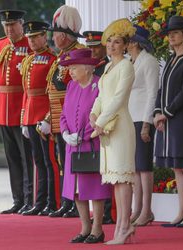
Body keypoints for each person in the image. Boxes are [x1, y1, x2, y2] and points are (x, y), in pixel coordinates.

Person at [90, 18, 136, 245]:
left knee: (123, 178)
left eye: (117, 42)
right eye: (109, 41)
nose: (111, 45)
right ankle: (122, 226)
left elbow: (118, 98)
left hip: (120, 126)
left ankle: (125, 226)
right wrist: (93, 114)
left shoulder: (127, 66)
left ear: (125, 45)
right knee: (116, 180)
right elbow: (101, 96)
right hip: (106, 126)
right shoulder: (108, 67)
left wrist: (101, 121)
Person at [59, 48, 112, 243]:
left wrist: (85, 135)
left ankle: (97, 230)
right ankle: (85, 227)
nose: (70, 71)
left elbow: (104, 113)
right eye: (70, 68)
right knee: (76, 190)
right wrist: (65, 133)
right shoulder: (71, 86)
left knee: (94, 189)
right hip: (72, 145)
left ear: (88, 68)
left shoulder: (100, 85)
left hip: (93, 143)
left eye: (74, 67)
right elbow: (64, 114)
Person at [153, 16, 183, 227]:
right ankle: (181, 211)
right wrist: (157, 112)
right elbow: (162, 89)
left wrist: (167, 112)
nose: (171, 36)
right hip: (169, 121)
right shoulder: (172, 59)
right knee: (177, 167)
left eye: (175, 32)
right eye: (169, 33)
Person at [0, 10, 33, 214]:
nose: (9, 29)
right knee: (12, 158)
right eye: (6, 25)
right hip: (4, 108)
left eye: (13, 25)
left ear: (21, 25)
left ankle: (30, 199)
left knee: (26, 157)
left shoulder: (29, 44)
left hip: (22, 107)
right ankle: (18, 199)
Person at [43, 5, 85, 218]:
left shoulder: (76, 54)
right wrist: (49, 118)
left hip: (71, 118)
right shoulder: (63, 55)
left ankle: (74, 203)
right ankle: (67, 202)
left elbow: (68, 89)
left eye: (57, 33)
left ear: (67, 35)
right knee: (63, 163)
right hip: (59, 116)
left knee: (71, 163)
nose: (55, 37)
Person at [19, 21, 57, 216]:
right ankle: (39, 202)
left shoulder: (52, 59)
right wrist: (24, 119)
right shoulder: (28, 60)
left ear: (44, 37)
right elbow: (26, 92)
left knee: (50, 160)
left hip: (44, 115)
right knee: (38, 161)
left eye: (35, 37)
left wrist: (50, 119)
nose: (32, 41)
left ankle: (53, 201)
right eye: (29, 37)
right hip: (31, 114)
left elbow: (52, 92)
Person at [128, 25, 159, 226]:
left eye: (130, 41)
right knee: (135, 168)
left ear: (137, 43)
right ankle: (136, 208)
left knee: (144, 167)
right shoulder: (130, 62)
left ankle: (147, 209)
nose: (127, 44)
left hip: (142, 118)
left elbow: (152, 93)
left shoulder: (149, 61)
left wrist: (147, 123)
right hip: (130, 118)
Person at [83, 30, 114, 225]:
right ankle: (102, 212)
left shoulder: (107, 68)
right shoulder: (91, 69)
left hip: (106, 123)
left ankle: (109, 211)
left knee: (108, 169)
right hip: (93, 124)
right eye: (90, 48)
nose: (93, 51)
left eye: (96, 47)